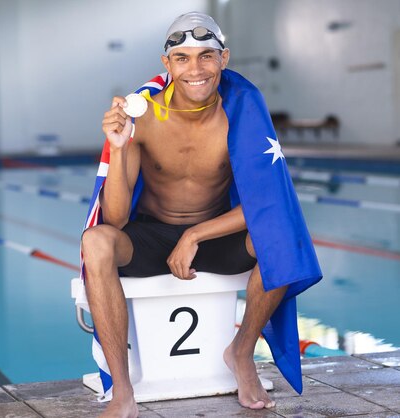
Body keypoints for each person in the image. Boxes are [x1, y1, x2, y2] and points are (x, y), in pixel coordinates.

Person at [80, 11, 322, 418]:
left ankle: (241, 353)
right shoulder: (145, 117)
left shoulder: (242, 112)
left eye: (206, 56)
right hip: (151, 237)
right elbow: (116, 219)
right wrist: (120, 146)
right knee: (96, 242)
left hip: (213, 236)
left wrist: (195, 236)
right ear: (167, 65)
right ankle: (123, 390)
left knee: (283, 233)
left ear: (224, 59)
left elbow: (269, 202)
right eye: (183, 58)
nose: (196, 69)